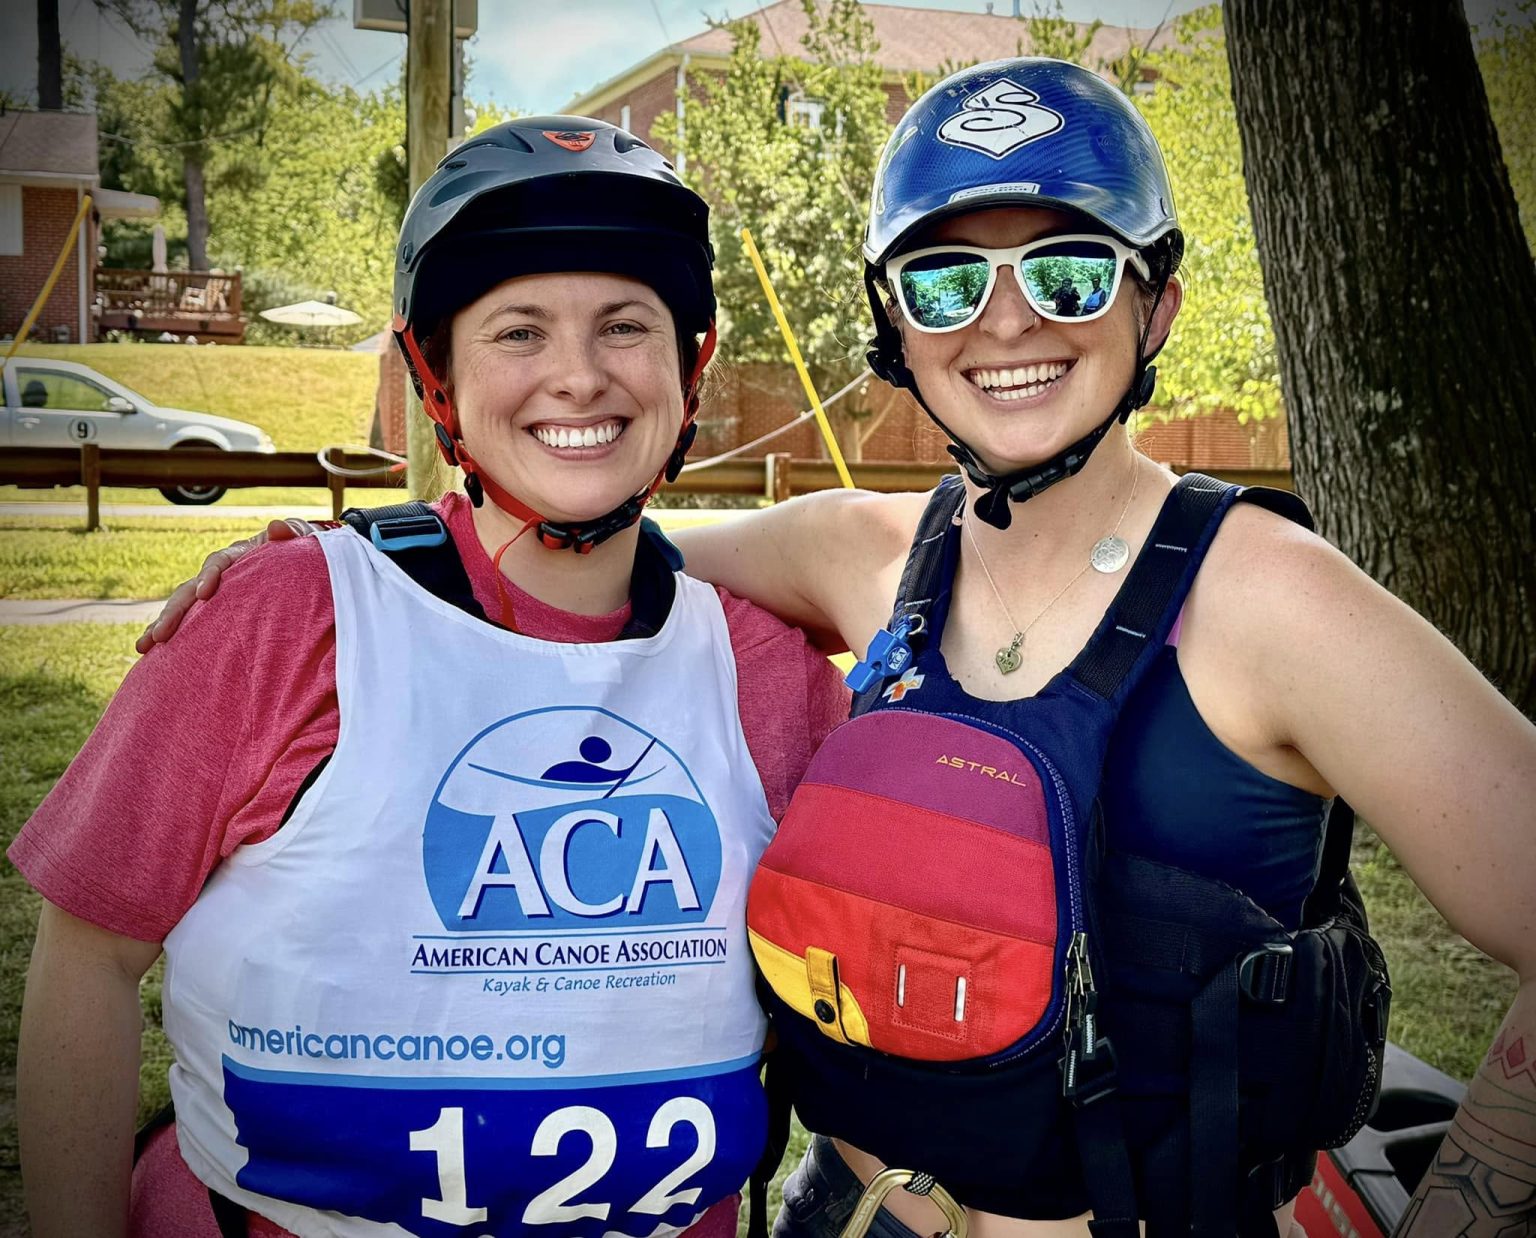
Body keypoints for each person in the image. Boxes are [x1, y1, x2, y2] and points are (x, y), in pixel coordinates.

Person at [141, 59, 1536, 1238]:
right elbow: (577, 536)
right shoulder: (863, 558)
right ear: (893, 324)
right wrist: (341, 564)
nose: (1006, 322)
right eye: (946, 281)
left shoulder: (1271, 599)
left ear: (1154, 303)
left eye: (1067, 271)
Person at [10, 116, 848, 1238]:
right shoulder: (282, 619)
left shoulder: (774, 676)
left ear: (689, 369)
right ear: (437, 375)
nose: (578, 374)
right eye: (518, 331)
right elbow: (91, 956)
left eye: (625, 325)